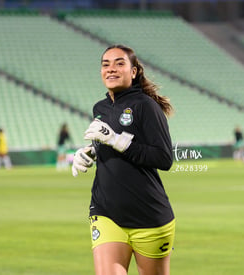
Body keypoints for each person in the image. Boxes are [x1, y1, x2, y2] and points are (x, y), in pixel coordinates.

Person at [72, 45, 175, 275]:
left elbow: (164, 157)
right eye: (106, 64)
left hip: (148, 215)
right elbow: (109, 143)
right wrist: (91, 151)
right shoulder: (100, 108)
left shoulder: (146, 106)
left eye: (120, 63)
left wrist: (118, 141)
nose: (111, 69)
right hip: (105, 211)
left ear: (134, 71)